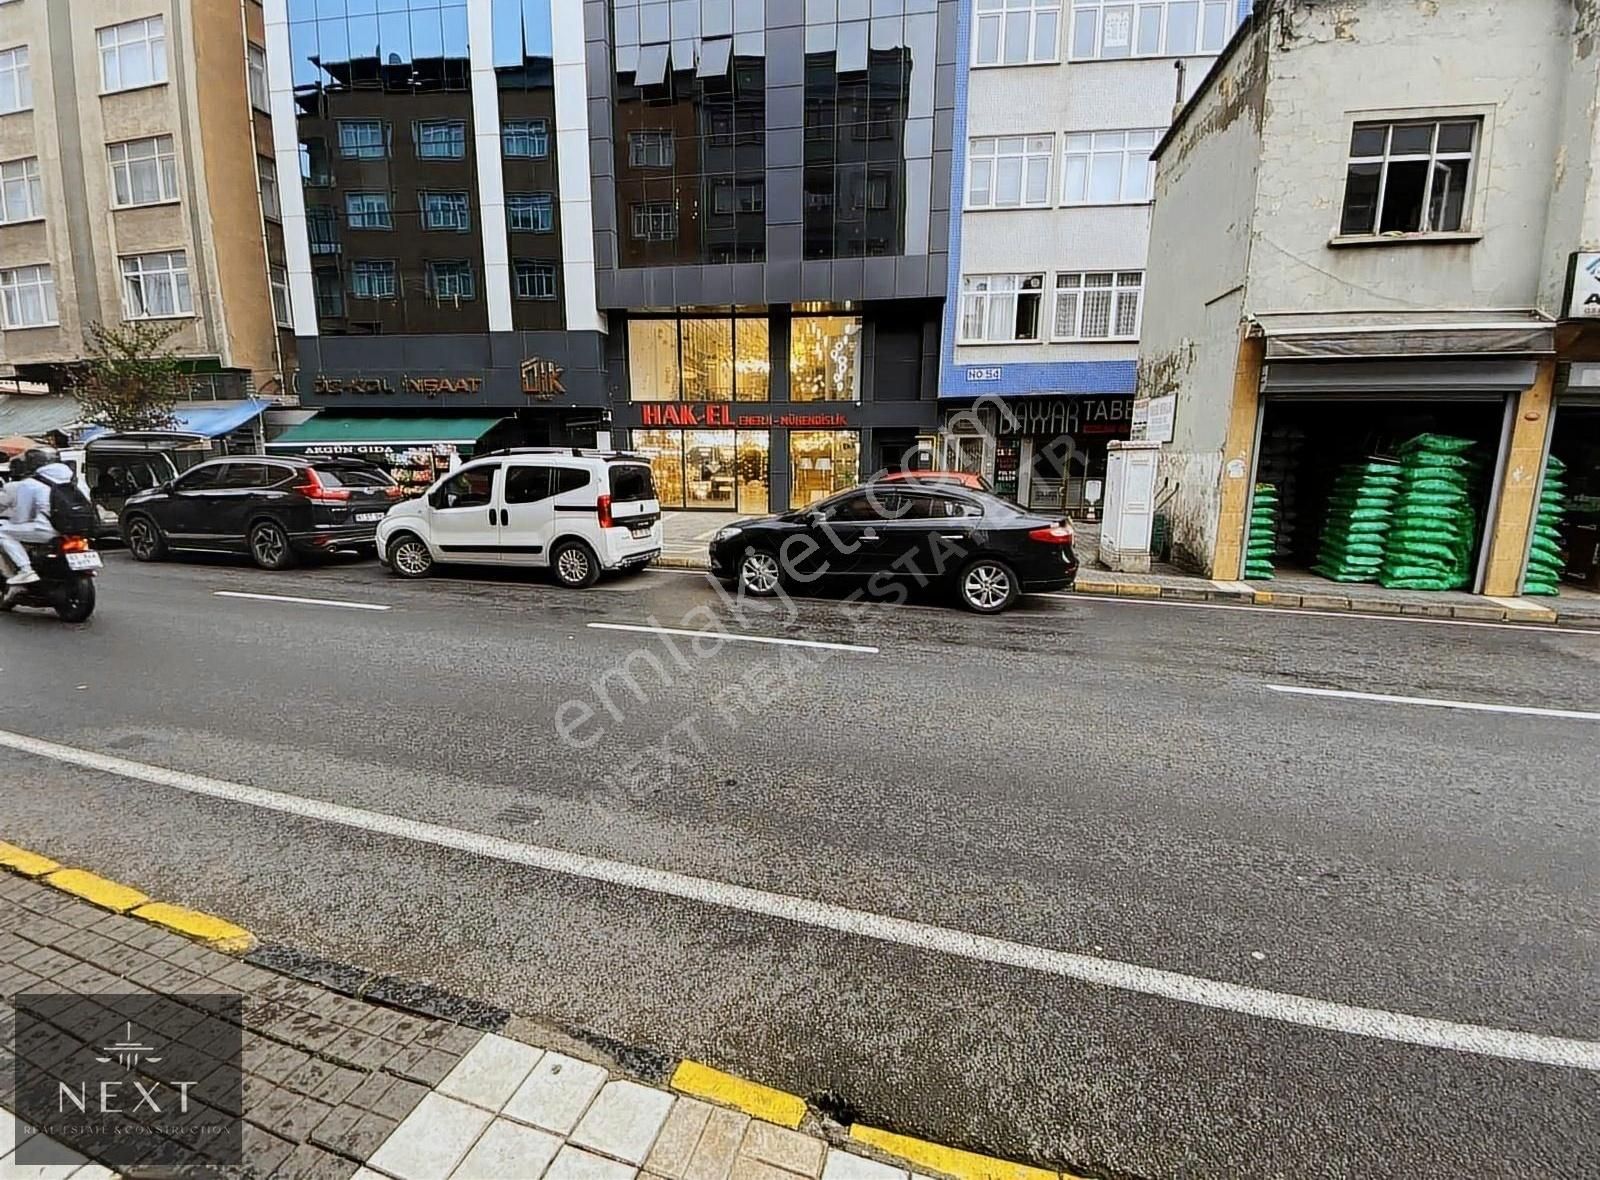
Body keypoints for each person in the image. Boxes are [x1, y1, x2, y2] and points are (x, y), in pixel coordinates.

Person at [0, 447, 74, 587]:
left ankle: (25, 570)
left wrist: (14, 526)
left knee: (2, 532)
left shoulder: (29, 485)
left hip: (47, 528)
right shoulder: (70, 480)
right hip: (74, 528)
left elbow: (22, 515)